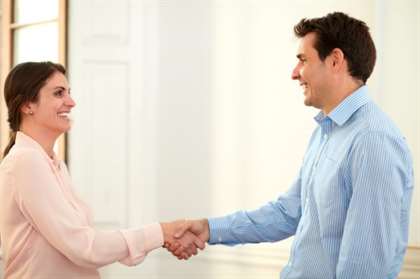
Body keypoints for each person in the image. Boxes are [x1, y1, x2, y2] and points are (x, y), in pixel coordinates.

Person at [168, 12, 414, 279]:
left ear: (335, 60)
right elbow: (288, 212)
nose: (294, 73)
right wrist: (209, 229)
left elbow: (364, 268)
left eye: (303, 60)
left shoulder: (373, 141)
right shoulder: (326, 132)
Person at [0, 61, 204, 279]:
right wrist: (162, 232)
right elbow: (84, 248)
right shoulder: (26, 162)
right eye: (59, 93)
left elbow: (86, 244)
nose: (71, 102)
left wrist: (162, 236)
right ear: (27, 105)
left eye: (69, 93)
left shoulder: (52, 163)